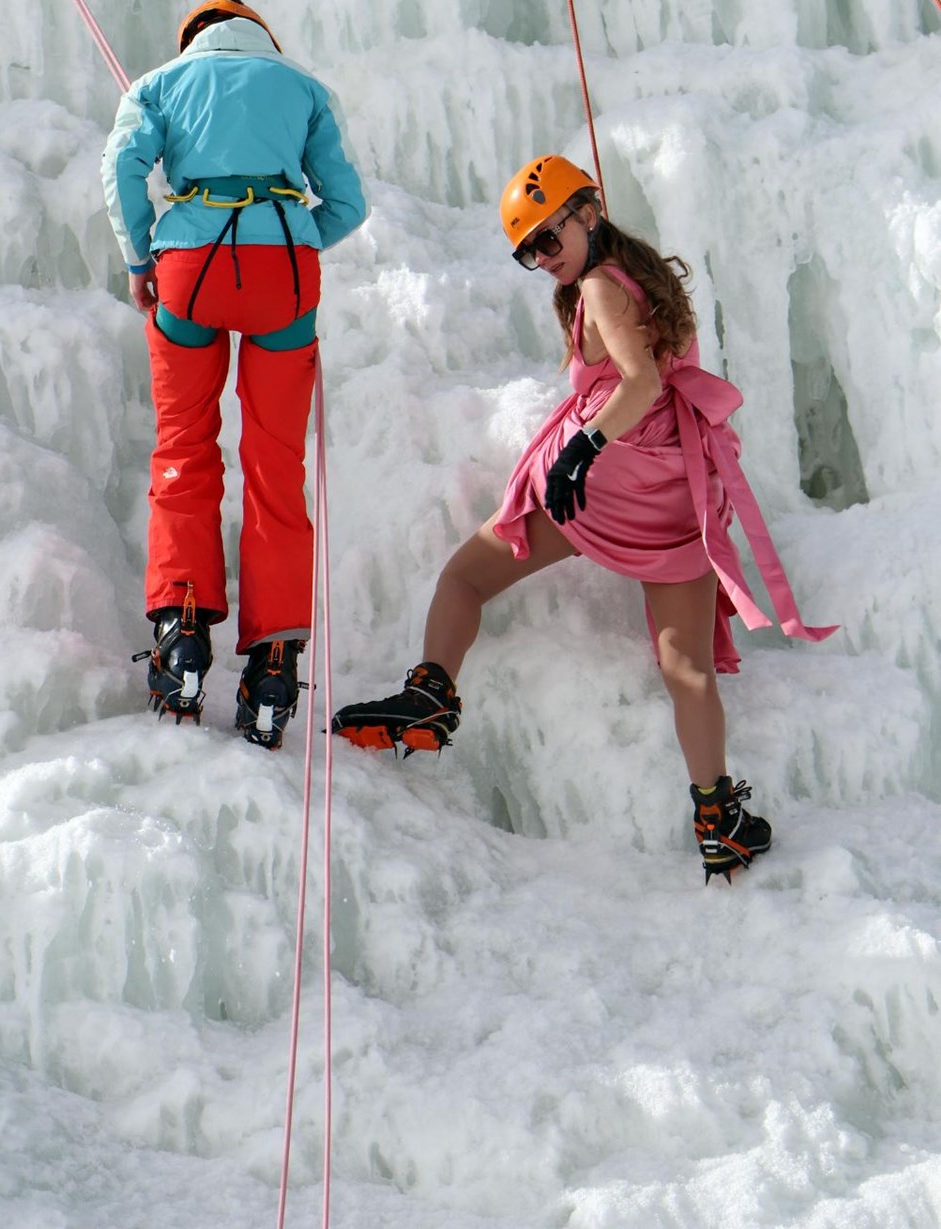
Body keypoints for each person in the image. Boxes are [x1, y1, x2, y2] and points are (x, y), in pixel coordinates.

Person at [331, 154, 835, 882]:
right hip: (673, 493)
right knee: (685, 667)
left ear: (588, 211)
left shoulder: (598, 285)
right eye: (529, 249)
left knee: (465, 576)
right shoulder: (637, 274)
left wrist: (580, 450)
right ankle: (718, 817)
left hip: (608, 486)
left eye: (547, 235)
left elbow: (642, 380)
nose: (543, 255)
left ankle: (431, 696)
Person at [102, 0, 367, 748]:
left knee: (184, 445)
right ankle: (275, 663)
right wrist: (292, 233)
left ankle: (181, 637)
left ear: (193, 39)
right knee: (275, 464)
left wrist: (140, 257)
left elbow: (120, 163)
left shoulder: (158, 83)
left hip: (190, 265)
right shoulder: (304, 88)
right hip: (284, 270)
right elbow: (349, 201)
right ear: (262, 39)